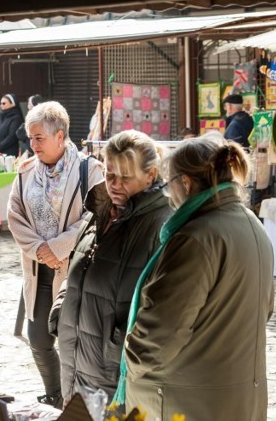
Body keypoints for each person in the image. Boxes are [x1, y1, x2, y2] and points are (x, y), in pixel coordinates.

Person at [118, 135, 274, 420]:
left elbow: (160, 336)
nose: (169, 195)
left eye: (169, 185)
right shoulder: (251, 223)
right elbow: (266, 309)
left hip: (187, 399)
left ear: (185, 183)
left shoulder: (195, 237)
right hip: (235, 393)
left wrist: (127, 358)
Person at [52, 130, 172, 405]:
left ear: (151, 175)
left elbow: (165, 309)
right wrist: (61, 311)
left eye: (125, 177)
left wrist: (120, 346)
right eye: (109, 174)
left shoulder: (161, 225)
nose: (114, 184)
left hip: (115, 370)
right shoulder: (100, 210)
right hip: (76, 358)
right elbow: (77, 268)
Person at [7, 101, 104, 408]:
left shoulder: (90, 170)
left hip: (74, 271)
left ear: (60, 136)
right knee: (38, 339)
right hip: (38, 271)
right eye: (31, 138)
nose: (33, 145)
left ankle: (73, 402)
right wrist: (40, 250)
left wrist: (60, 246)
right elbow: (14, 216)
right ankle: (55, 394)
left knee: (70, 340)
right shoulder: (24, 174)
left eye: (39, 138)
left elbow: (98, 217)